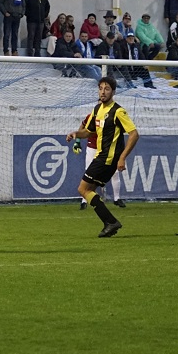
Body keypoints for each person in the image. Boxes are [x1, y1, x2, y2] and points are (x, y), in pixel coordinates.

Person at [65, 77, 138, 238]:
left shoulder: (118, 111)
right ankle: (110, 222)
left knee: (82, 189)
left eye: (106, 89)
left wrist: (122, 157)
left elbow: (134, 134)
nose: (103, 92)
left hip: (107, 158)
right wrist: (76, 133)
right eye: (100, 88)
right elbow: (89, 131)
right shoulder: (97, 110)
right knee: (88, 190)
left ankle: (110, 221)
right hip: (102, 157)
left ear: (113, 91)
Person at [72, 112, 124, 210]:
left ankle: (117, 198)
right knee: (88, 173)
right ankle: (84, 200)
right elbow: (82, 127)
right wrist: (77, 142)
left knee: (115, 172)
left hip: (107, 149)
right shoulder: (91, 116)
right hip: (93, 148)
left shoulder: (114, 115)